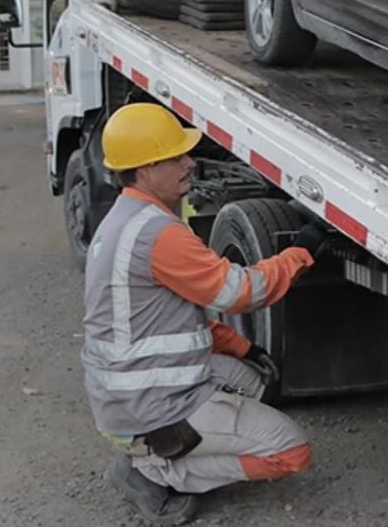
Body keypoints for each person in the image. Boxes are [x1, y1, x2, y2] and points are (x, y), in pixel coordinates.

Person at [81, 102, 327, 525]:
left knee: (256, 383)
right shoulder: (156, 233)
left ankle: (160, 447)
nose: (189, 163)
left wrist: (243, 349)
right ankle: (154, 469)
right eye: (175, 156)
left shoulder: (126, 218)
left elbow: (169, 320)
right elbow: (240, 292)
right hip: (149, 403)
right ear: (144, 169)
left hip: (131, 390)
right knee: (291, 452)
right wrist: (300, 253)